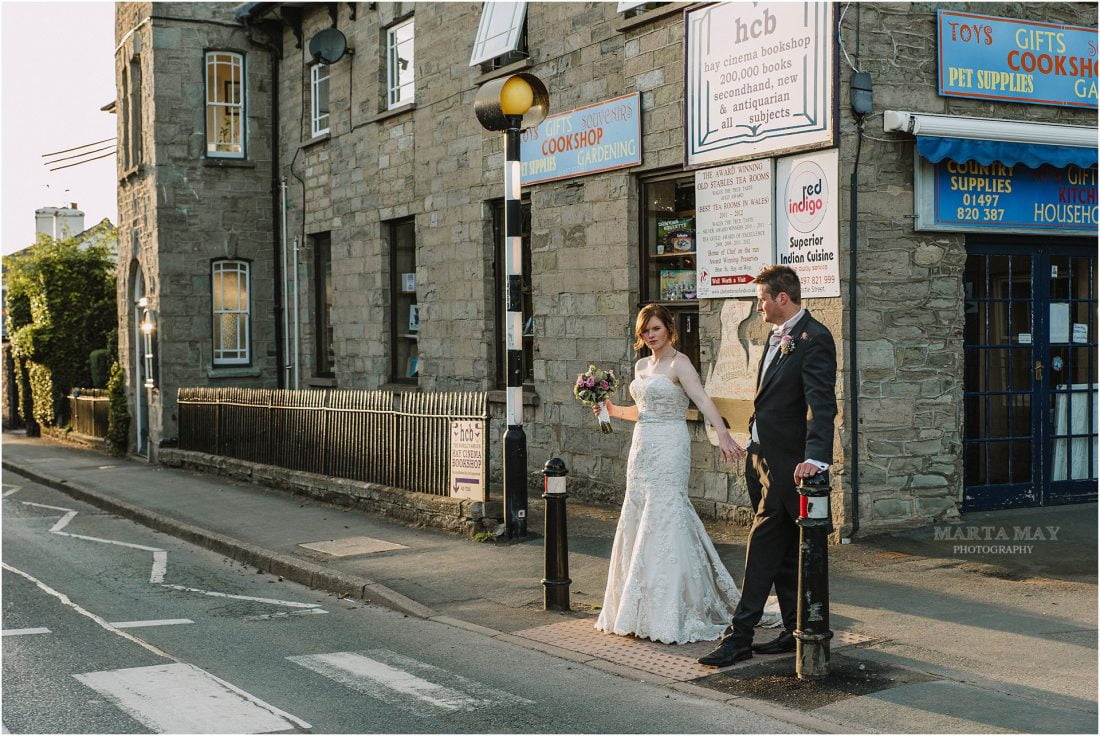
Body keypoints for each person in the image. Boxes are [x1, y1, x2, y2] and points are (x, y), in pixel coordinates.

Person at [594, 303, 779, 644]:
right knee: (639, 513)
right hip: (642, 448)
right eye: (645, 331)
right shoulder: (641, 366)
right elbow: (642, 410)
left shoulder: (681, 364)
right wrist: (611, 409)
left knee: (665, 514)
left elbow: (703, 400)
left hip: (670, 446)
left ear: (669, 329)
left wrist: (723, 434)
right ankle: (639, 605)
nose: (650, 336)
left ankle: (675, 606)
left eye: (656, 329)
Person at [699, 265, 837, 666]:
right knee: (783, 550)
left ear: (782, 298)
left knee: (761, 545)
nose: (757, 306)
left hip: (788, 464)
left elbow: (820, 404)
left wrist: (815, 458)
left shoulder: (814, 339)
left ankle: (739, 635)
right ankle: (793, 629)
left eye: (761, 299)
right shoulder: (777, 337)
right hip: (760, 457)